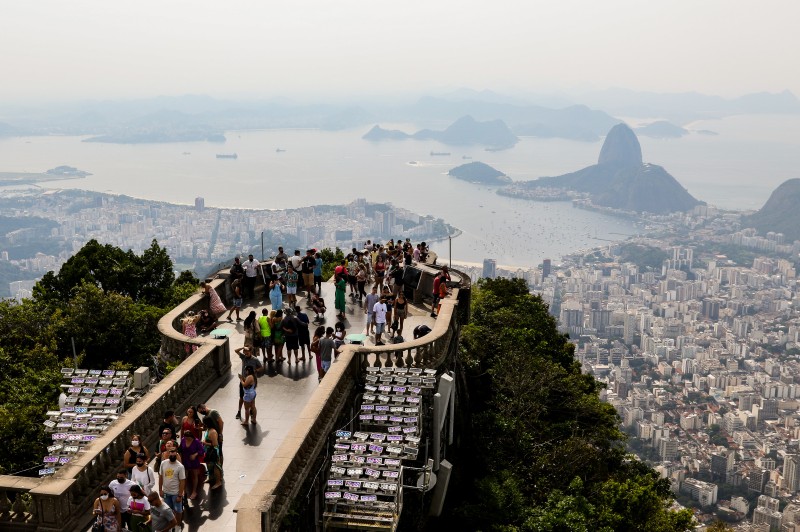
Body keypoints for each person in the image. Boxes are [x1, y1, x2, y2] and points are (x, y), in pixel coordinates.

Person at [158, 447, 186, 529]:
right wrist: (160, 490)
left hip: (175, 493)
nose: (172, 454)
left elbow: (182, 481)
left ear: (177, 454)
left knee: (178, 511)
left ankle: (178, 526)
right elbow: (160, 477)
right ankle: (171, 525)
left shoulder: (180, 466)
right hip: (166, 493)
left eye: (174, 453)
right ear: (168, 453)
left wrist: (180, 495)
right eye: (171, 453)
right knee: (168, 511)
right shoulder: (163, 463)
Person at [234, 346, 264, 420]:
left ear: (251, 352)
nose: (246, 353)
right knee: (241, 397)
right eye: (245, 351)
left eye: (247, 352)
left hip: (251, 381)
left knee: (251, 397)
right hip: (244, 379)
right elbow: (236, 350)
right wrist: (242, 347)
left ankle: (251, 411)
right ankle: (239, 411)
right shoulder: (243, 357)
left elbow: (261, 367)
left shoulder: (255, 359)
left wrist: (255, 371)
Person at [178, 430, 204, 500]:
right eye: (185, 437)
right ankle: (184, 491)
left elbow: (202, 450)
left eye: (187, 438)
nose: (186, 439)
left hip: (193, 461)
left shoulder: (196, 441)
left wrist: (195, 454)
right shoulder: (183, 440)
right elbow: (180, 449)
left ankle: (194, 491)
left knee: (194, 476)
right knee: (184, 477)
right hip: (185, 460)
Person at [203, 415, 224, 490]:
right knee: (209, 466)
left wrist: (205, 443)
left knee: (216, 467)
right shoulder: (208, 430)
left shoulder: (212, 432)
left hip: (213, 451)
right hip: (208, 451)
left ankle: (218, 482)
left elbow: (215, 444)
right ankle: (211, 478)